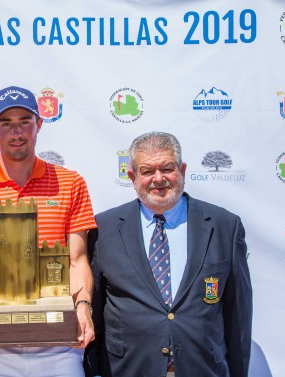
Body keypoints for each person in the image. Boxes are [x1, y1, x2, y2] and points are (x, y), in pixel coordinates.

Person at [0, 85, 97, 376]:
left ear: (39, 124)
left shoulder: (71, 183)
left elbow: (77, 260)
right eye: (6, 123)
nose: (17, 132)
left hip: (58, 343)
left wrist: (84, 305)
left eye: (25, 122)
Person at [84, 131, 252, 377]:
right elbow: (95, 310)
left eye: (167, 168)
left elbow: (238, 313)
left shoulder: (225, 225)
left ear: (182, 170)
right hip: (128, 368)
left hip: (203, 367)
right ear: (132, 176)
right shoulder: (103, 229)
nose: (158, 178)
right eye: (147, 171)